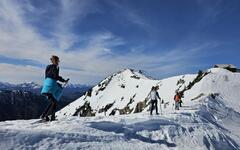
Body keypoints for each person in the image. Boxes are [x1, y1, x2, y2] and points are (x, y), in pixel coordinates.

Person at [40, 55, 68, 121]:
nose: (58, 62)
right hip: (50, 88)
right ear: (56, 61)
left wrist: (57, 83)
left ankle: (44, 115)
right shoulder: (55, 67)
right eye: (57, 60)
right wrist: (63, 81)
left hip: (46, 87)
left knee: (52, 102)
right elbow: (55, 77)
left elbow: (49, 77)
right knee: (54, 102)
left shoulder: (48, 67)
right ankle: (50, 117)